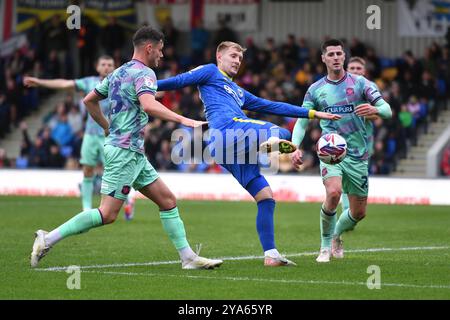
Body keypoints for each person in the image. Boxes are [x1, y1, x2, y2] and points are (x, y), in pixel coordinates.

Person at [30, 26, 223, 270]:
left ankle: (187, 258)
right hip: (125, 153)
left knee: (167, 200)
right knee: (107, 214)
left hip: (132, 152)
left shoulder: (117, 73)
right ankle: (47, 238)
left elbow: (89, 100)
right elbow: (149, 105)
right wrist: (186, 121)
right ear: (149, 48)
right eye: (161, 50)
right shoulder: (146, 74)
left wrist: (106, 126)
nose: (162, 56)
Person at [157, 41, 340, 266]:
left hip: (227, 150)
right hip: (227, 131)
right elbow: (178, 81)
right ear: (219, 56)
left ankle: (271, 255)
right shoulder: (210, 71)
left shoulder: (238, 92)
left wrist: (312, 113)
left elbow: (272, 105)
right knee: (282, 131)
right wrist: (145, 86)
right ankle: (269, 144)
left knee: (266, 198)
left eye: (240, 59)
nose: (237, 61)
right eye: (233, 56)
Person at [291, 39, 392, 263]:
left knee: (358, 213)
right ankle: (325, 246)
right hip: (331, 151)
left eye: (339, 53)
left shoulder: (360, 83)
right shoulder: (315, 89)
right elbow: (302, 121)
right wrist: (295, 146)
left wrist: (375, 108)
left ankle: (336, 234)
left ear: (344, 57)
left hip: (358, 154)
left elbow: (387, 110)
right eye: (331, 54)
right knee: (334, 193)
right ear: (323, 58)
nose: (336, 57)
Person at [24, 56, 136, 220]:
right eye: (103, 64)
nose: (106, 67)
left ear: (115, 67)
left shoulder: (120, 82)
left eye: (110, 65)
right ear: (97, 67)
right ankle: (86, 209)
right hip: (91, 135)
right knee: (87, 170)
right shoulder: (89, 82)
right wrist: (40, 82)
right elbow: (65, 84)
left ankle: (128, 201)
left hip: (112, 136)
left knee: (119, 174)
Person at [342, 56, 378, 215]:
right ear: (347, 70)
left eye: (358, 68)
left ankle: (354, 210)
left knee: (356, 178)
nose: (355, 71)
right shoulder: (338, 87)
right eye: (352, 68)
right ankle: (346, 210)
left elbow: (377, 114)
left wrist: (357, 113)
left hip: (363, 141)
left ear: (364, 71)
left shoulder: (369, 87)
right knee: (343, 177)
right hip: (341, 139)